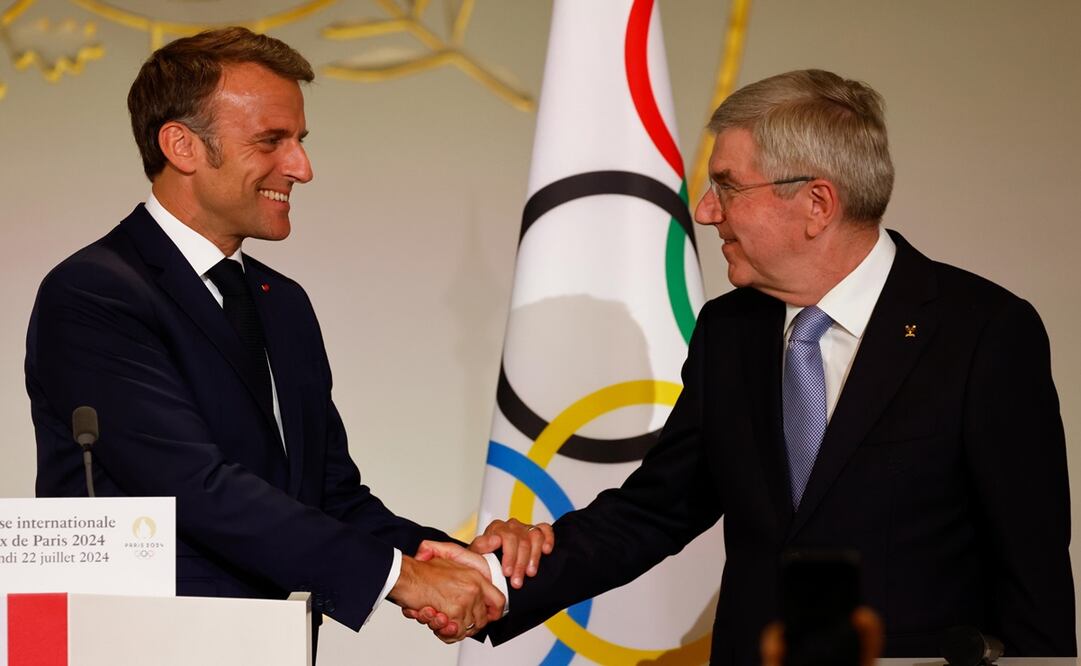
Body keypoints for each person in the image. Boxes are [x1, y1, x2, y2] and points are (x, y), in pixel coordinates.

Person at [423, 69, 1075, 662]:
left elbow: (1031, 565)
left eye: (726, 187)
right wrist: (498, 582)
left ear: (816, 204)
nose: (705, 212)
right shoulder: (727, 332)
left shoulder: (981, 332)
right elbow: (656, 510)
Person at [24, 27, 552, 653]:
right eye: (272, 141)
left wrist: (467, 563)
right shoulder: (94, 293)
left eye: (300, 142)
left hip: (275, 644)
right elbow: (195, 487)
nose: (301, 167)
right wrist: (403, 578)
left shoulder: (283, 304)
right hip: (134, 644)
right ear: (182, 145)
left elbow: (329, 496)